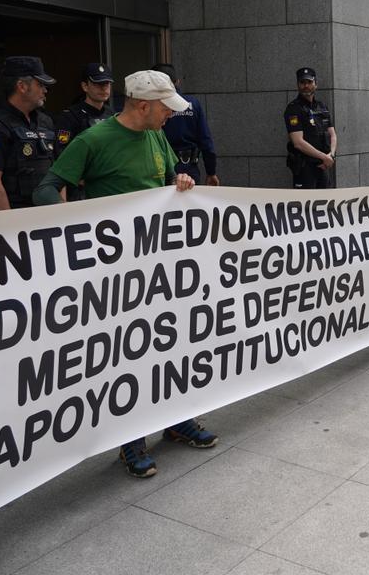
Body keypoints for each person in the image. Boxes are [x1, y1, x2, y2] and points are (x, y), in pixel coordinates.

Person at [32, 69, 217, 478]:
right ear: (143, 104)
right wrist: (78, 226)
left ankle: (175, 420)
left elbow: (169, 177)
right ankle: (131, 440)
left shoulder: (155, 135)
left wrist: (181, 180)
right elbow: (46, 187)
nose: (172, 115)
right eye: (166, 108)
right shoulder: (93, 140)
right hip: (119, 273)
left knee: (169, 345)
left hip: (159, 265)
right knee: (130, 354)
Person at [0, 55, 58, 211]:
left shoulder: (46, 121)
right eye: (40, 84)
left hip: (49, 215)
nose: (45, 90)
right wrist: (11, 225)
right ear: (22, 86)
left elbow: (57, 172)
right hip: (19, 218)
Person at [54, 63, 115, 201]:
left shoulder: (113, 114)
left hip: (110, 185)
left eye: (107, 84)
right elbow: (62, 154)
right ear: (85, 86)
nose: (104, 88)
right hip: (81, 189)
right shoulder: (70, 116)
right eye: (98, 84)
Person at [153, 63, 219, 186]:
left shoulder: (154, 107)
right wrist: (211, 172)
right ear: (177, 82)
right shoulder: (193, 104)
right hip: (188, 168)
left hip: (161, 170)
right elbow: (206, 142)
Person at [284, 67, 336, 188]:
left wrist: (331, 156)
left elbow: (332, 134)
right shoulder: (294, 109)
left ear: (315, 84)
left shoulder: (322, 107)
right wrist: (325, 157)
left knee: (325, 203)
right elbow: (298, 143)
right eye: (302, 82)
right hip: (304, 168)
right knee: (305, 206)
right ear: (298, 85)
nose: (306, 86)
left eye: (309, 82)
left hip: (323, 166)